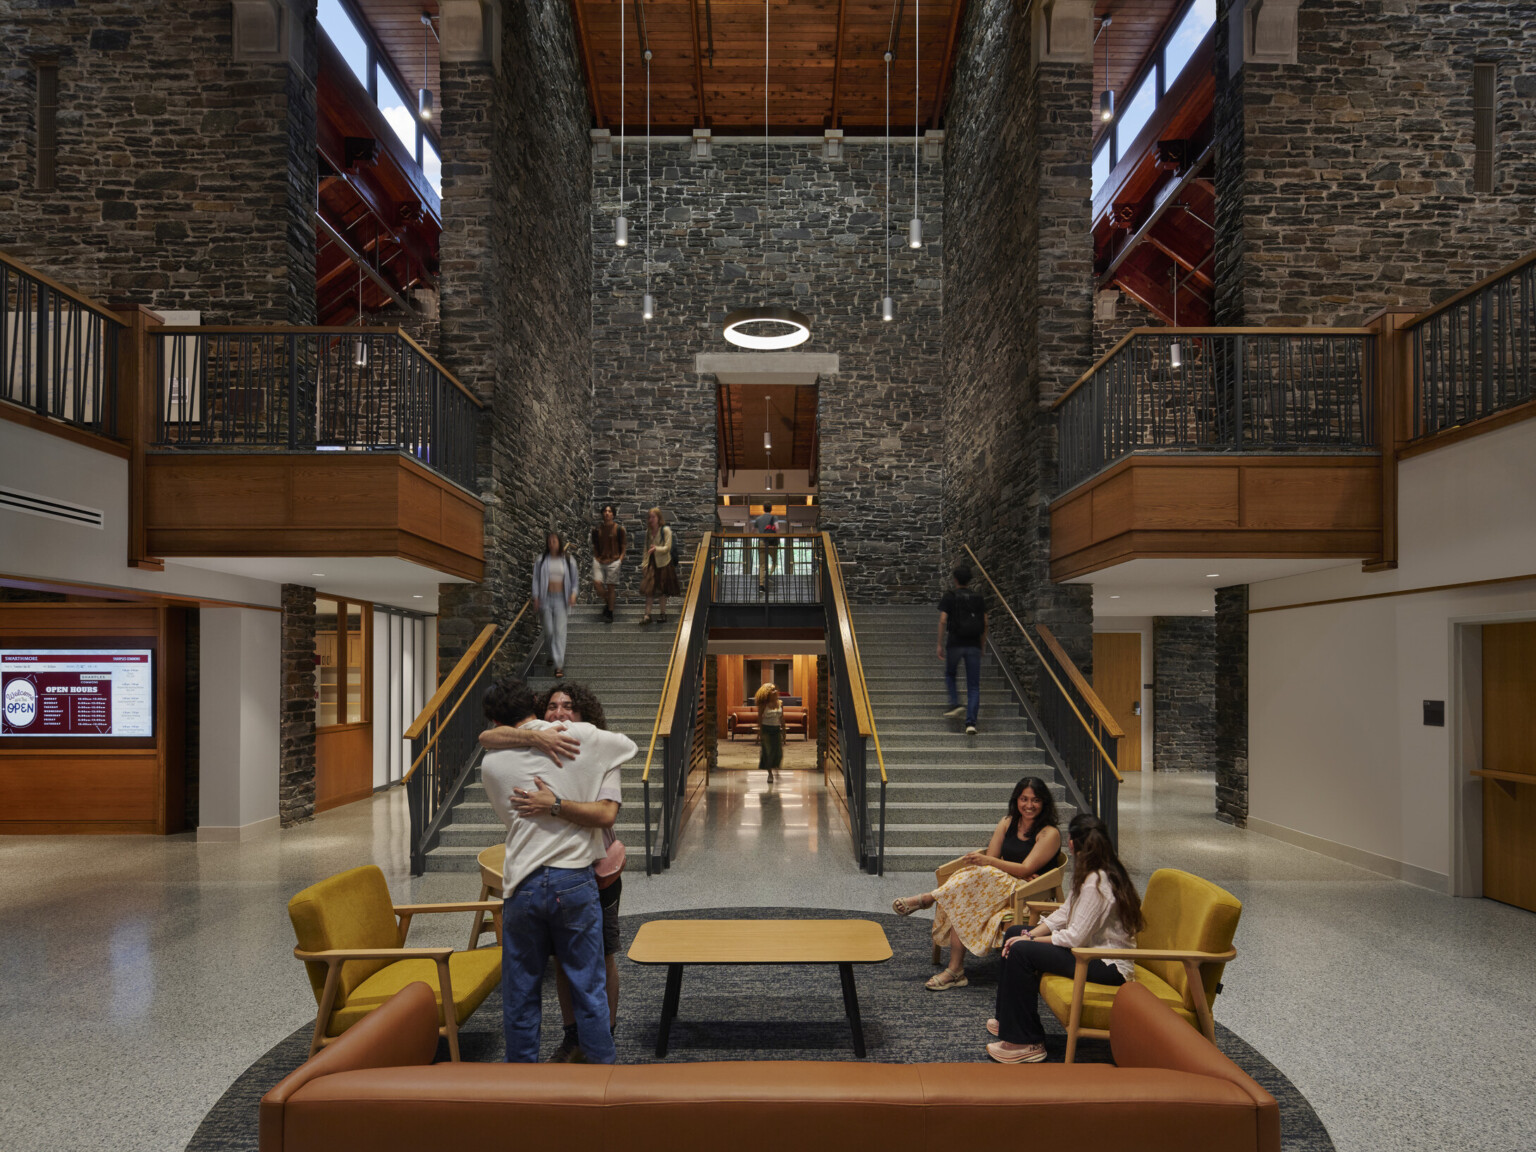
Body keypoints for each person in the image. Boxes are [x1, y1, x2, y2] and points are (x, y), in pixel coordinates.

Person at [478, 677, 636, 1065]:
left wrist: (530, 740)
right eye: (553, 707)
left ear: (495, 718)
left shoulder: (491, 763)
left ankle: (523, 1089)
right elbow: (628, 746)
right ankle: (602, 1076)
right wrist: (543, 738)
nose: (560, 714)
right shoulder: (584, 738)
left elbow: (490, 745)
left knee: (521, 993)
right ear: (536, 702)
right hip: (574, 878)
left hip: (524, 882)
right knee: (588, 984)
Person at [986, 812, 1143, 1063]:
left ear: (1071, 843)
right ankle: (1008, 1019)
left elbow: (1075, 937)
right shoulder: (1093, 870)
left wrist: (1031, 943)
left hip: (1108, 965)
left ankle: (1027, 1042)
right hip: (1089, 953)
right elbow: (1064, 913)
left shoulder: (1096, 881)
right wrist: (1028, 933)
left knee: (1021, 950)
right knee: (1014, 933)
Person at [891, 776, 1062, 990]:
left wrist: (1008, 867)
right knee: (966, 895)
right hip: (1000, 886)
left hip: (1028, 894)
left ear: (1044, 802)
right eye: (1024, 799)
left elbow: (1021, 868)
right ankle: (955, 971)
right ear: (1016, 800)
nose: (1029, 805)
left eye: (1035, 800)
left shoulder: (1049, 833)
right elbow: (992, 861)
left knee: (979, 877)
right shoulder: (1008, 822)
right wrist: (1006, 866)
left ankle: (929, 898)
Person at [937, 565, 987, 735]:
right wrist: (982, 645)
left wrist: (939, 643)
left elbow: (943, 620)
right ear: (969, 580)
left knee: (951, 674)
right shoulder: (978, 598)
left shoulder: (950, 597)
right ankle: (971, 723)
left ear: (955, 580)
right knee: (973, 685)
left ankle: (955, 703)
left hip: (955, 643)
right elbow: (985, 623)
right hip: (973, 644)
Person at [533, 531, 579, 677]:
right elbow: (536, 579)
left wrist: (573, 594)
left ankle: (558, 665)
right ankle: (550, 655)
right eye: (549, 541)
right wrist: (536, 597)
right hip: (546, 598)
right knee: (549, 631)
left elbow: (574, 580)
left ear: (559, 542)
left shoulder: (567, 559)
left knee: (559, 631)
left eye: (554, 540)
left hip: (561, 599)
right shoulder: (542, 560)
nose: (552, 543)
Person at [639, 506, 679, 625]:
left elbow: (667, 547)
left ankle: (662, 613)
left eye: (653, 517)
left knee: (662, 590)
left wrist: (656, 548)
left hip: (664, 564)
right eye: (649, 517)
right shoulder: (648, 532)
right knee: (649, 590)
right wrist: (644, 564)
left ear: (658, 518)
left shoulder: (665, 530)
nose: (651, 519)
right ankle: (647, 615)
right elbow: (646, 549)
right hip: (652, 564)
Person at [590, 504, 626, 623]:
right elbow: (595, 545)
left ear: (613, 514)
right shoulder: (596, 530)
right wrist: (596, 556)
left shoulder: (619, 529)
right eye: (605, 511)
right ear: (602, 514)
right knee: (597, 583)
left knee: (611, 587)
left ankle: (610, 612)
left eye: (610, 511)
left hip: (614, 561)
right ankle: (608, 601)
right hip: (599, 560)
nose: (607, 513)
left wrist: (620, 560)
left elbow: (623, 546)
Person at [754, 682, 784, 784]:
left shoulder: (780, 703)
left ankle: (776, 769)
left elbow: (782, 717)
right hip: (766, 730)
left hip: (776, 730)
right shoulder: (763, 705)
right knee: (767, 753)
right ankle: (770, 774)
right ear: (767, 693)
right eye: (772, 689)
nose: (775, 691)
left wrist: (783, 730)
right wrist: (760, 733)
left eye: (775, 689)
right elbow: (759, 719)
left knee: (778, 752)